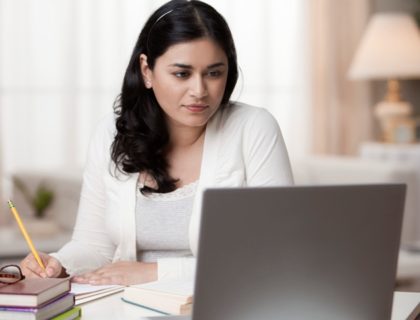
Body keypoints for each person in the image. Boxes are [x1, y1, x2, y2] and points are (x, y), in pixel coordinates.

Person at [20, 0, 293, 285]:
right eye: (181, 74)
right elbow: (93, 246)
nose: (199, 91)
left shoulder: (253, 128)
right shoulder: (111, 133)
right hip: (126, 307)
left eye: (214, 73)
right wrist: (57, 264)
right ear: (147, 70)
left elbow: (276, 254)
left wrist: (156, 273)